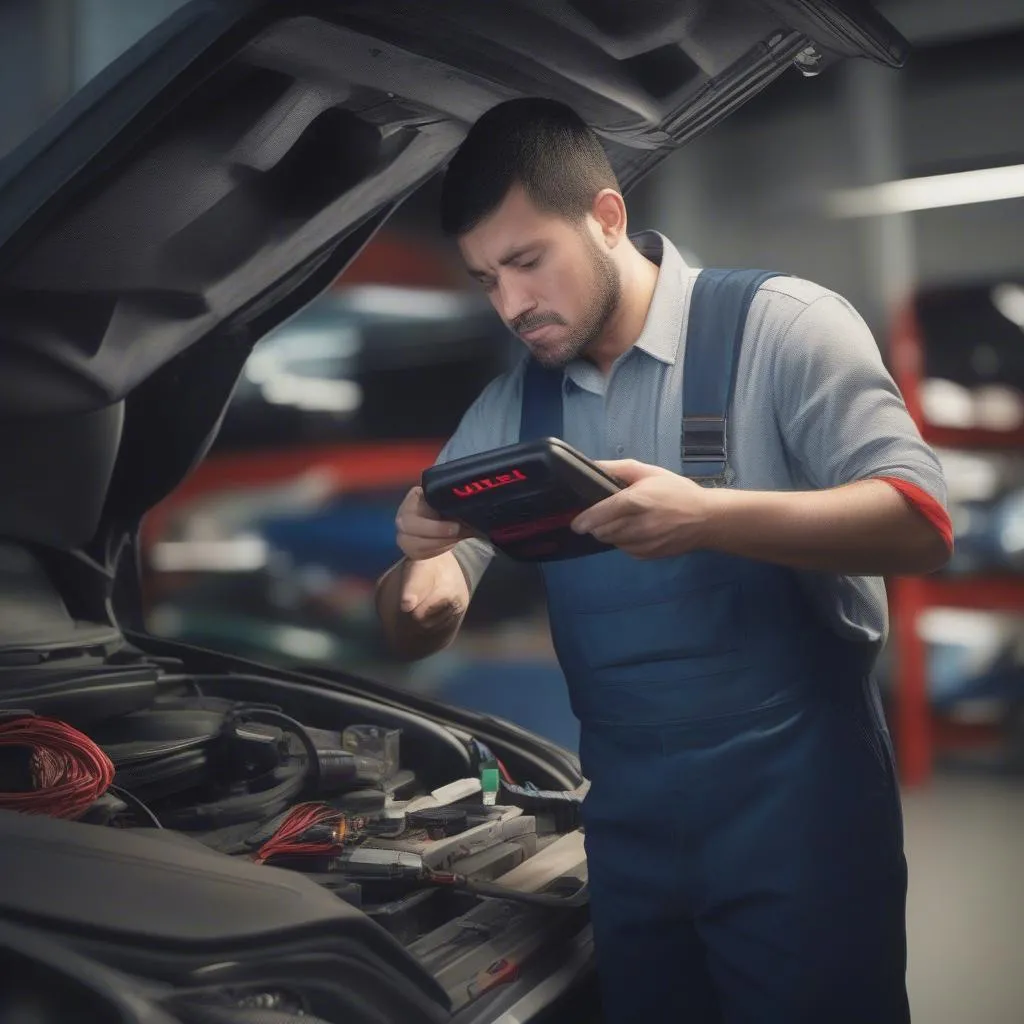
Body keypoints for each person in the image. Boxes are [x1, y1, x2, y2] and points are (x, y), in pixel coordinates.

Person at [375, 97, 951, 1023]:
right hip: (630, 832)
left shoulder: (784, 328)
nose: (513, 304)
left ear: (606, 218)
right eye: (487, 280)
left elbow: (919, 521)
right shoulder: (510, 409)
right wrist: (424, 575)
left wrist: (711, 517)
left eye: (528, 262)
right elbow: (412, 624)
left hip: (801, 819)